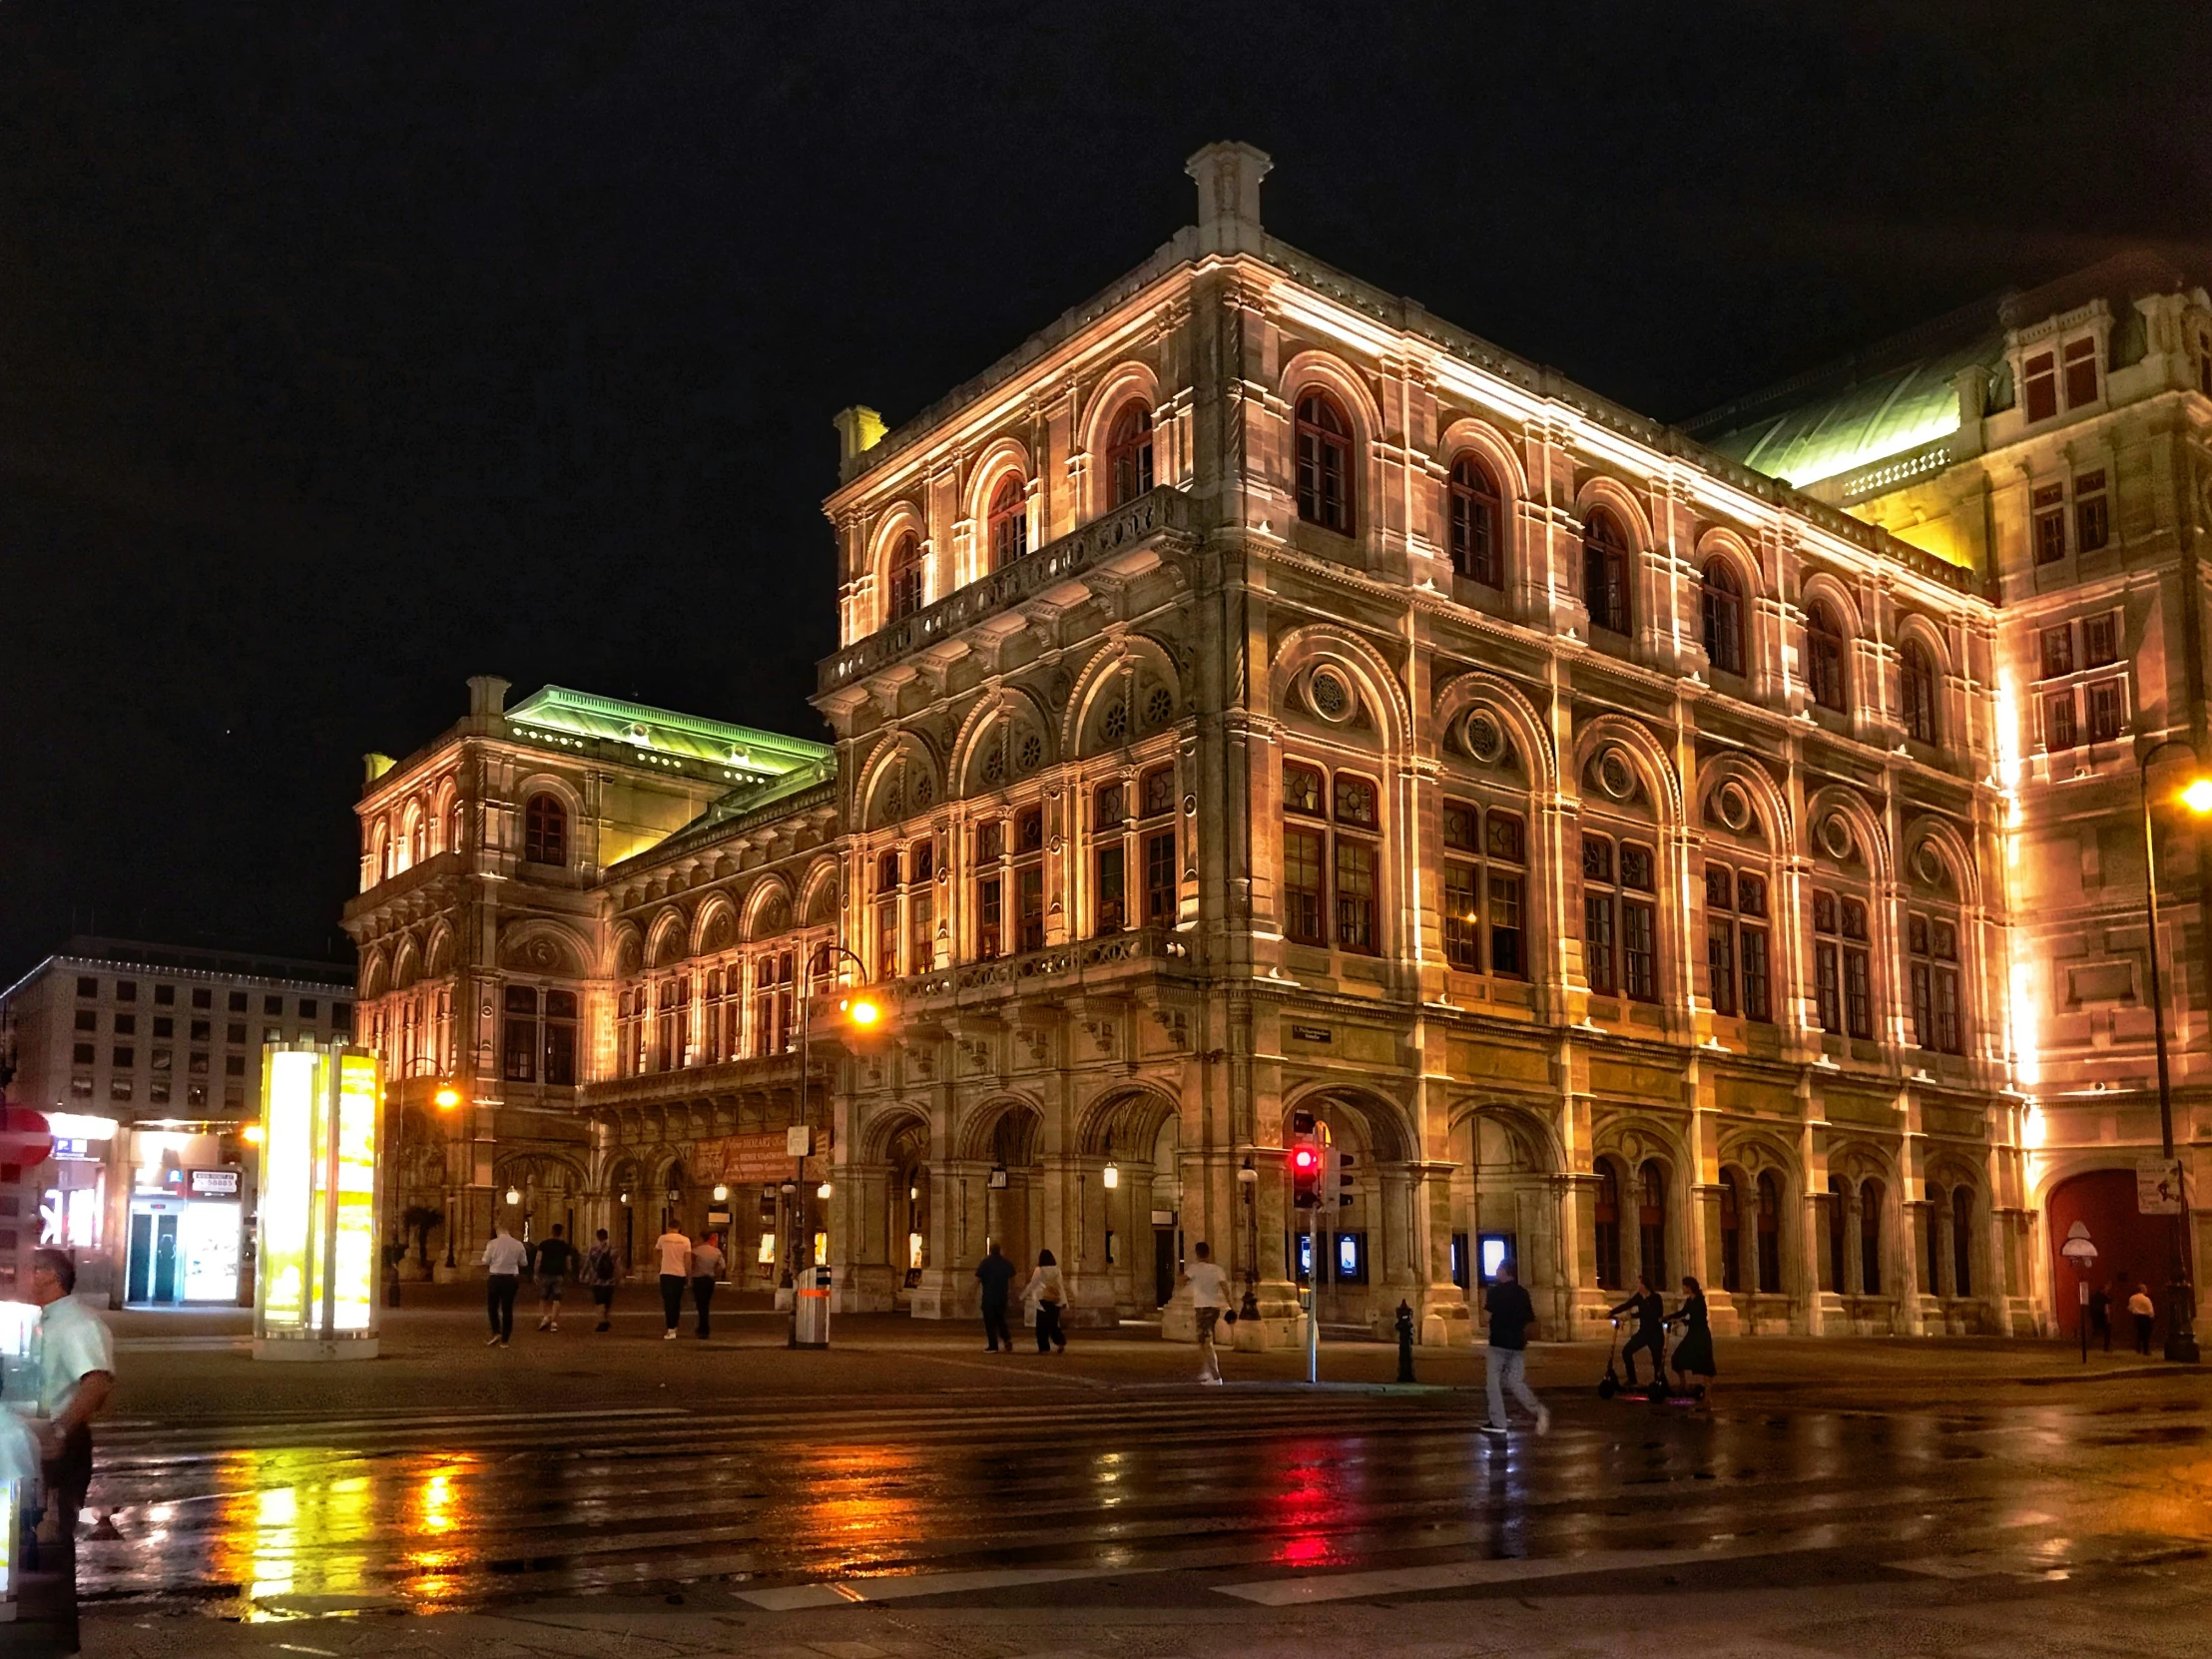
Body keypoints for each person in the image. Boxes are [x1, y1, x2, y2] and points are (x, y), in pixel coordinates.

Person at [27, 1245, 115, 1648]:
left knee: (53, 1542)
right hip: (36, 1444)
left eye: (27, 1271)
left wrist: (60, 1432)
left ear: (48, 1275)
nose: (17, 1279)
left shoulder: (78, 1323)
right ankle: (30, 1629)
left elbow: (97, 1382)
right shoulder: (42, 1321)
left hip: (61, 1448)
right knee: (30, 1543)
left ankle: (57, 1640)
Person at [1477, 1260, 1547, 1438]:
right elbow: (1530, 1319)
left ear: (1504, 1271)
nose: (1496, 1272)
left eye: (1498, 1269)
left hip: (1498, 1343)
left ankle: (1498, 1421)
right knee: (1516, 1381)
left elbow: (1485, 1318)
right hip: (1517, 1343)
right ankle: (1537, 1409)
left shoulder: (1495, 1291)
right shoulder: (1522, 1293)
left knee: (1493, 1384)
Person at [1607, 1274, 1666, 1389]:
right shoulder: (1639, 1297)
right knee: (1626, 1351)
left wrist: (1632, 1316)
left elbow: (1655, 1314)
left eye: (1639, 1283)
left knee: (1657, 1360)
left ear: (1644, 1285)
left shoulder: (1656, 1298)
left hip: (1655, 1334)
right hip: (1644, 1332)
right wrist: (1612, 1312)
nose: (1638, 1286)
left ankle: (1660, 1383)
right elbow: (1627, 1305)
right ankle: (1632, 1378)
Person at [1185, 1241, 1232, 1385]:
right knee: (1204, 1340)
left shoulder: (1194, 1269)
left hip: (1202, 1307)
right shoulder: (1217, 1269)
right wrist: (1231, 1305)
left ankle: (1216, 1376)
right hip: (1214, 1308)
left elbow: (1182, 1280)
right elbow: (1225, 1288)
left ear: (1197, 1254)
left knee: (1206, 1342)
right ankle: (1206, 1371)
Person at [1667, 1275, 1717, 1405]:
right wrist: (1668, 1317)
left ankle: (1708, 1395)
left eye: (1684, 1286)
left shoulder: (1700, 1300)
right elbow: (1683, 1312)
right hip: (1692, 1334)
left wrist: (1684, 1321)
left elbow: (1699, 1319)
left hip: (1701, 1335)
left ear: (1689, 1287)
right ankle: (1683, 1384)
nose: (1682, 1288)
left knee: (1706, 1365)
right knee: (1677, 1358)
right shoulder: (1690, 1300)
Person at [481, 1222, 528, 1347]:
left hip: (495, 1277)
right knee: (507, 1309)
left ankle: (496, 1331)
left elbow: (485, 1260)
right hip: (510, 1279)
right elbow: (524, 1262)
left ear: (497, 1232)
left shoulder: (492, 1244)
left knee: (492, 1307)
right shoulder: (518, 1245)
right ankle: (505, 1340)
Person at [531, 1224, 576, 1333]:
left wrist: (535, 1273)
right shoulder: (565, 1246)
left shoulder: (544, 1244)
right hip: (559, 1274)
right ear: (561, 1232)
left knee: (543, 1297)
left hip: (545, 1274)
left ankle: (545, 1316)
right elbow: (568, 1262)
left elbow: (538, 1259)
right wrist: (569, 1273)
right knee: (557, 1298)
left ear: (551, 1231)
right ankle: (554, 1322)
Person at [655, 1223, 694, 1341]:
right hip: (679, 1273)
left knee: (668, 1302)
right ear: (679, 1228)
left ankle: (670, 1328)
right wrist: (688, 1274)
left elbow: (655, 1253)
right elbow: (688, 1260)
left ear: (668, 1228)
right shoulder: (685, 1240)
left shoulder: (663, 1238)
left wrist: (658, 1266)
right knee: (676, 1302)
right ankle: (675, 1326)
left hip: (666, 1273)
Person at [1023, 1248, 1067, 1354]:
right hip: (1056, 1300)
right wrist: (1064, 1301)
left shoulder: (1039, 1270)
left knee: (1041, 1325)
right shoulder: (1057, 1270)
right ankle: (1060, 1340)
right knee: (1053, 1323)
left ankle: (1044, 1347)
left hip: (1043, 1299)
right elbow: (1060, 1286)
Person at [975, 1243, 1016, 1352]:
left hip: (989, 1296)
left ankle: (993, 1345)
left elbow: (978, 1279)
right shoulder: (1005, 1263)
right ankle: (1007, 1338)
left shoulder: (985, 1263)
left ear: (990, 1250)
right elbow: (1012, 1278)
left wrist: (973, 1292)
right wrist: (1012, 1292)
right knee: (1001, 1319)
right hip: (1002, 1296)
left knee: (990, 1322)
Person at [690, 1231, 726, 1339]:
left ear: (701, 1238)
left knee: (700, 1305)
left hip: (698, 1279)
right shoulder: (716, 1251)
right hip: (709, 1279)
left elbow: (690, 1264)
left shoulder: (695, 1251)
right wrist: (715, 1273)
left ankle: (703, 1328)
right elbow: (722, 1266)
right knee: (706, 1304)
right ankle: (703, 1327)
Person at [585, 1228, 620, 1333]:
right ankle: (605, 1318)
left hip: (596, 1280)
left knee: (599, 1301)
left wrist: (584, 1275)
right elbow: (617, 1265)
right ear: (607, 1236)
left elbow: (588, 1263)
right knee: (607, 1301)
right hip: (610, 1280)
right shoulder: (613, 1249)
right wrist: (618, 1277)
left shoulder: (593, 1249)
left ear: (597, 1237)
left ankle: (601, 1321)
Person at [2129, 1283, 2156, 1355]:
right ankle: (2146, 1350)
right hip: (2145, 1317)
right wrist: (2152, 1317)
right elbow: (2150, 1310)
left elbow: (2130, 1308)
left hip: (2136, 1317)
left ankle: (2138, 1348)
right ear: (2142, 1290)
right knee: (2146, 1335)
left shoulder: (2132, 1298)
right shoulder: (2146, 1299)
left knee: (2138, 1333)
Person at [2089, 1281, 2111, 1353]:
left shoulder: (2094, 1296)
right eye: (2107, 1288)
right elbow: (2106, 1308)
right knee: (2107, 1332)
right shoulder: (2105, 1297)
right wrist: (2108, 1317)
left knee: (2096, 1331)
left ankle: (2089, 1346)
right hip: (2102, 1315)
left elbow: (2091, 1306)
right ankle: (2106, 1347)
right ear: (2103, 1289)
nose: (2108, 1290)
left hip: (2095, 1315)